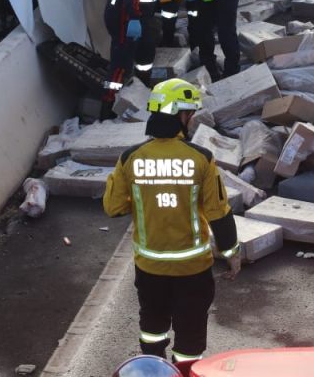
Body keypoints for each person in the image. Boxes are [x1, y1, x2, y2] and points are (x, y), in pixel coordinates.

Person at [102, 78, 241, 362]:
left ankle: (153, 374)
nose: (191, 119)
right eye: (189, 113)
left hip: (149, 267)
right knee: (190, 334)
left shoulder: (131, 158)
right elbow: (218, 211)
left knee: (152, 328)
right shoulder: (200, 158)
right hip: (193, 269)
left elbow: (113, 208)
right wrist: (231, 253)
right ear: (180, 114)